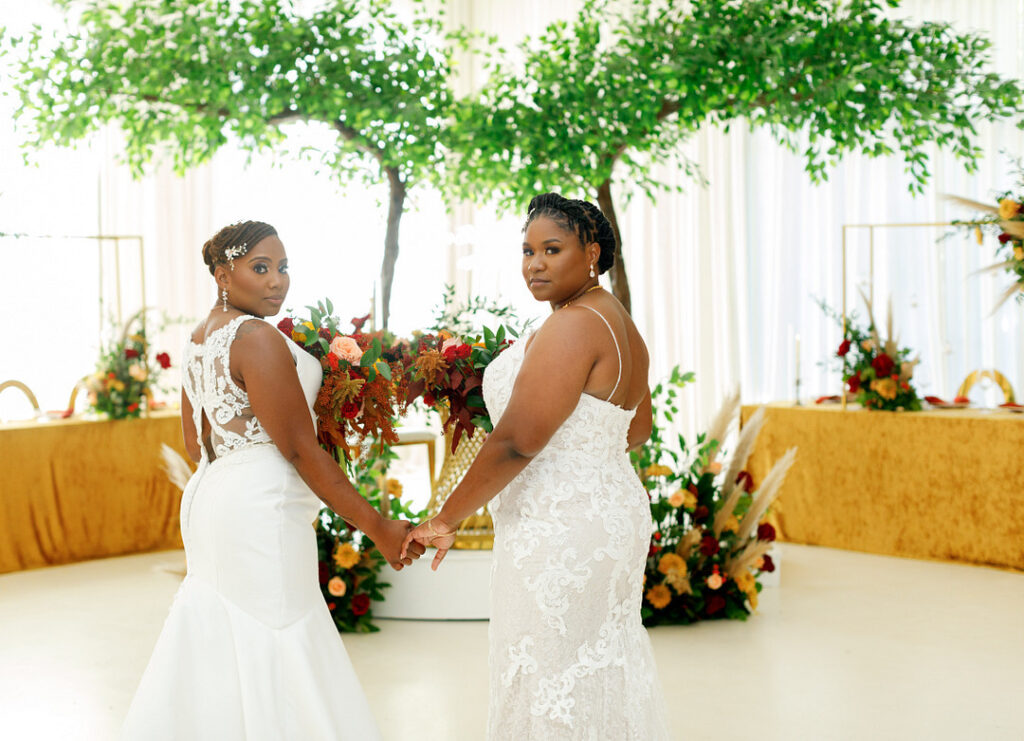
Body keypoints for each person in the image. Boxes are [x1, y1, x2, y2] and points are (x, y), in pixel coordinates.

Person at [121, 221, 423, 740]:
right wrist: (378, 526)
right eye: (260, 268)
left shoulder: (198, 340)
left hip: (212, 497)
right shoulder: (255, 338)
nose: (277, 282)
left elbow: (197, 445)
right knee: (279, 629)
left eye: (282, 268)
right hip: (261, 510)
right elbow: (301, 449)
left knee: (223, 633)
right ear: (223, 273)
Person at [402, 194, 670, 739]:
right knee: (596, 668)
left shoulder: (572, 325)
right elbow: (635, 430)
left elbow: (518, 441)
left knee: (547, 673)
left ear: (591, 252)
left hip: (560, 530)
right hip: (609, 513)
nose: (535, 264)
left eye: (552, 249)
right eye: (527, 251)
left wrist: (444, 519)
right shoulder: (619, 322)